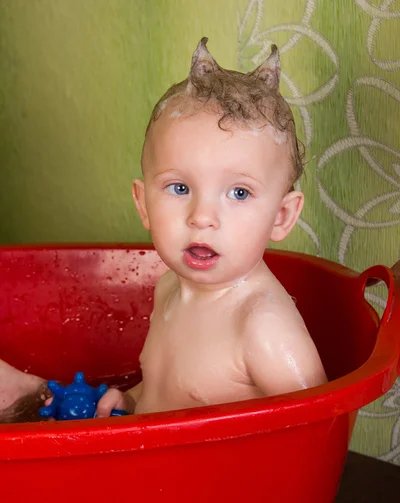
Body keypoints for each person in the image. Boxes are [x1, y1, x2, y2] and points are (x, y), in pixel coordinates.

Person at [0, 38, 327, 423]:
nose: (202, 216)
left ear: (281, 216)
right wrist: (132, 402)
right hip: (154, 466)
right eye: (180, 188)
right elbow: (166, 392)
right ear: (143, 204)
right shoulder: (168, 287)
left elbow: (316, 428)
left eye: (239, 192)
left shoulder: (261, 326)